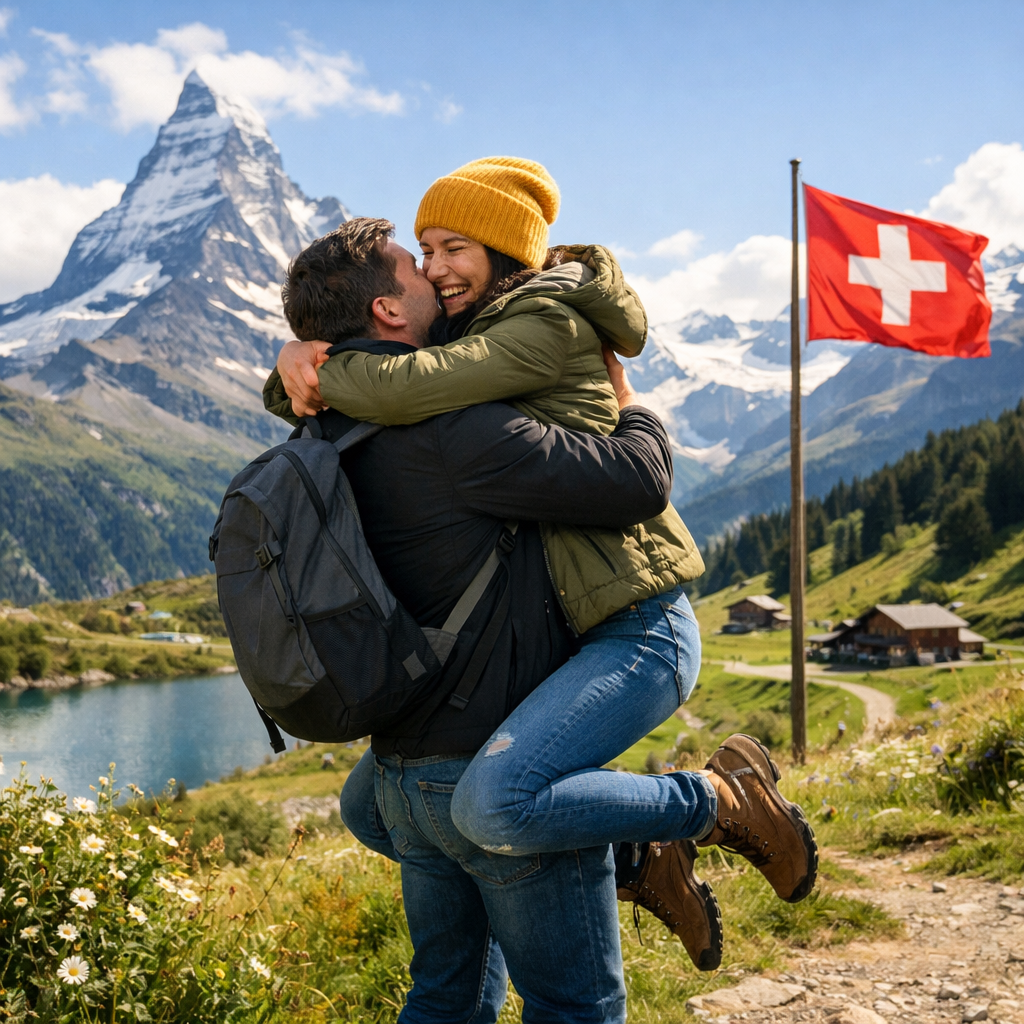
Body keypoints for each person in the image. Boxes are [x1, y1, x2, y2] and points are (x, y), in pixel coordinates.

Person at [264, 159, 818, 958]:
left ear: (503, 246)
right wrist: (296, 356)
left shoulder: (542, 317)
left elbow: (410, 381)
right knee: (377, 807)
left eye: (454, 245)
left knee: (492, 806)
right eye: (424, 249)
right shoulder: (474, 320)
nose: (434, 267)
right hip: (572, 627)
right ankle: (640, 859)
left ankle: (716, 803)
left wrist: (319, 366)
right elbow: (387, 338)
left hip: (637, 621)